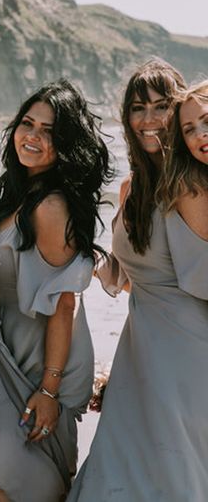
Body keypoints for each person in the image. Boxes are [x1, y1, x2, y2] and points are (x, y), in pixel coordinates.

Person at [0, 79, 112, 502]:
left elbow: (65, 306)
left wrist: (48, 390)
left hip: (36, 365)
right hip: (4, 355)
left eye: (49, 131)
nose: (34, 137)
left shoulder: (52, 206)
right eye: (28, 124)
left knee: (22, 483)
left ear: (66, 144)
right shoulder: (15, 196)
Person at [68, 66, 208, 502]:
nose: (149, 119)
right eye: (137, 108)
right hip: (139, 348)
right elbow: (133, 279)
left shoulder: (190, 185)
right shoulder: (132, 188)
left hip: (186, 351)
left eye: (162, 107)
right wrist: (78, 253)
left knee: (169, 471)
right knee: (123, 464)